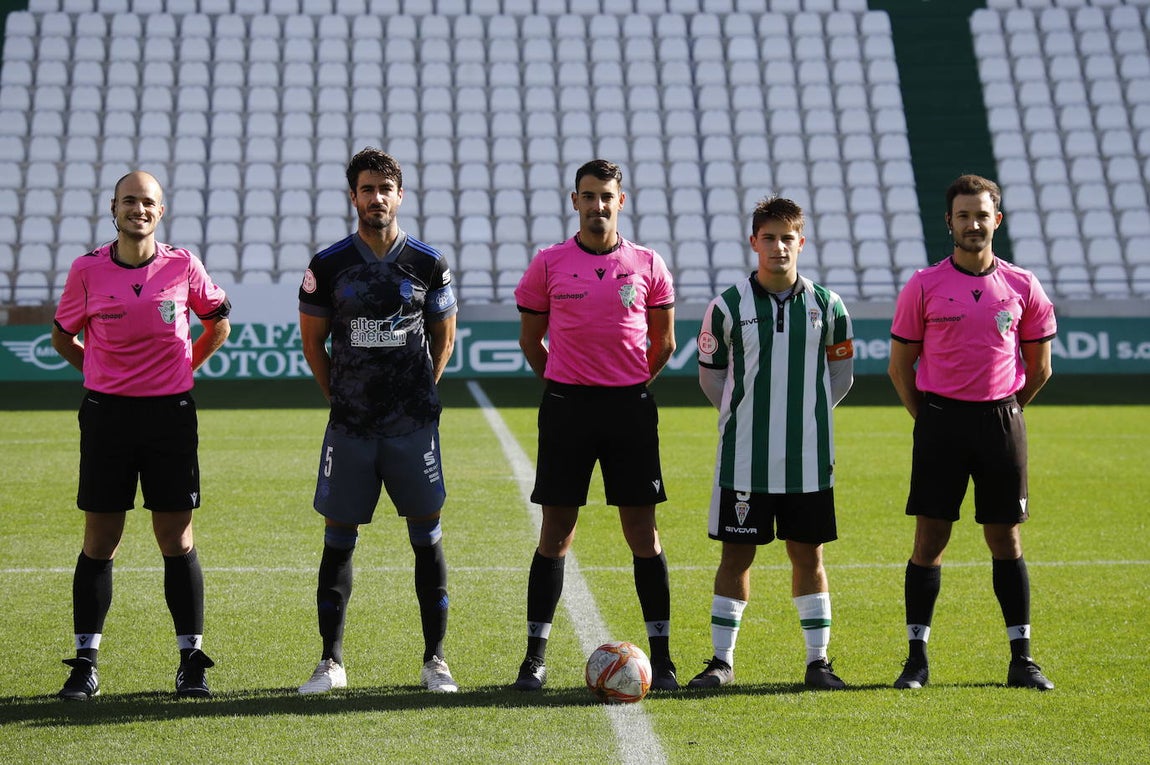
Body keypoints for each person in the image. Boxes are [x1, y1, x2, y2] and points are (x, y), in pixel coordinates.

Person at [51, 171, 231, 700]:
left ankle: (190, 662)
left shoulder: (183, 264)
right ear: (114, 208)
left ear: (161, 210)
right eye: (130, 201)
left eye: (147, 202)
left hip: (169, 416)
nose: (139, 209)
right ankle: (85, 664)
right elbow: (63, 336)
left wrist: (183, 366)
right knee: (100, 540)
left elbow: (218, 320)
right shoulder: (86, 270)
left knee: (176, 538)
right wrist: (99, 372)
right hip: (107, 415)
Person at [511, 158, 679, 692]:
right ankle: (534, 658)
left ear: (620, 201)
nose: (597, 205)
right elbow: (531, 342)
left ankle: (664, 658)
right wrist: (564, 382)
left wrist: (628, 382)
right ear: (575, 201)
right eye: (588, 196)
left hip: (629, 408)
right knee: (555, 533)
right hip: (566, 408)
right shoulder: (549, 263)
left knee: (642, 534)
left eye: (606, 196)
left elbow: (665, 342)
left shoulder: (649, 263)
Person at [297, 147, 459, 695]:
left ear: (399, 195)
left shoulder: (429, 263)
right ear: (354, 197)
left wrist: (421, 389)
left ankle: (435, 661)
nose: (376, 198)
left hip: (412, 427)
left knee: (426, 538)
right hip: (351, 428)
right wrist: (339, 396)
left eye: (384, 189)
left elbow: (444, 333)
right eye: (366, 189)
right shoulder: (328, 265)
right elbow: (313, 342)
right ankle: (330, 663)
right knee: (338, 539)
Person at [888, 174, 1057, 691]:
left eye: (982, 214)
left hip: (1002, 420)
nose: (973, 224)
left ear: (996, 220)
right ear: (949, 222)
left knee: (1005, 537)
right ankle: (916, 659)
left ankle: (1021, 659)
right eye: (963, 215)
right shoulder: (924, 284)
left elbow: (1040, 366)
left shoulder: (1023, 285)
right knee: (929, 539)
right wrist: (932, 418)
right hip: (940, 420)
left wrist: (1006, 412)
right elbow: (900, 367)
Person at [688, 196, 855, 691]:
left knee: (809, 558)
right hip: (744, 462)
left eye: (787, 238)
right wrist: (750, 419)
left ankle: (818, 663)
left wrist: (803, 421)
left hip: (808, 462)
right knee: (736, 559)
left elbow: (839, 379)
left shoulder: (829, 306)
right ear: (754, 242)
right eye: (769, 237)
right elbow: (711, 381)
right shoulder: (726, 307)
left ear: (801, 242)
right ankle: (721, 662)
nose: (778, 247)